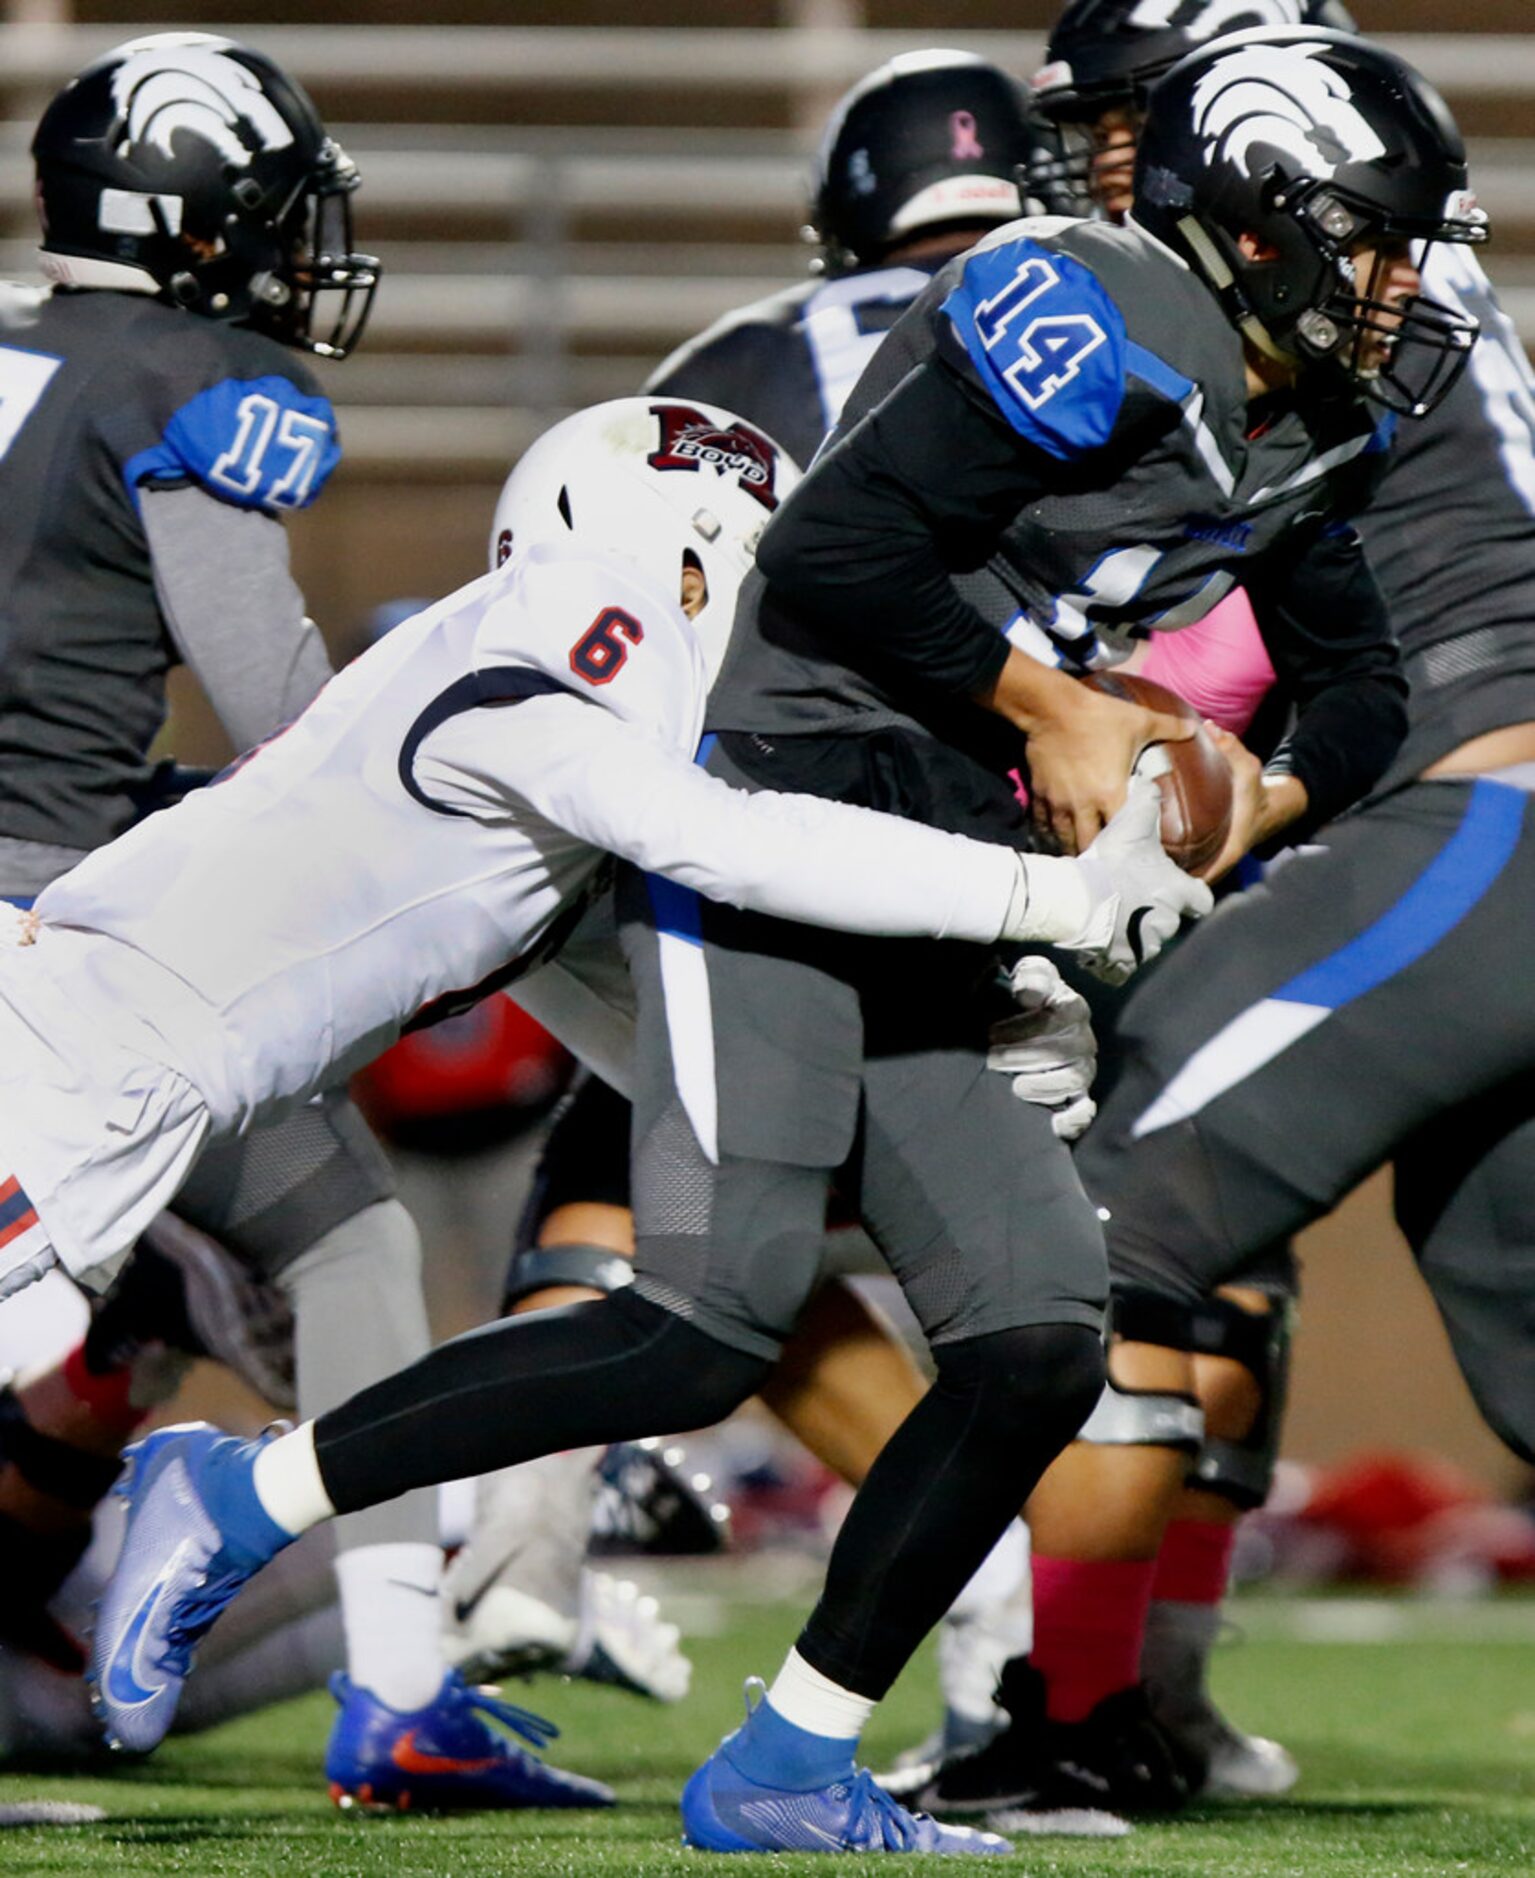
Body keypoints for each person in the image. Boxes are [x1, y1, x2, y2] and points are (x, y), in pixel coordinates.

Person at [91, 24, 1465, 1858]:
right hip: (781, 805)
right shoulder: (1097, 304)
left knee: (1041, 1328)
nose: (1402, 280)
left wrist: (1250, 795)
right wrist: (1058, 710)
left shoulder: (1311, 403)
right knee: (703, 1319)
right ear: (1268, 218)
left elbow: (1364, 687)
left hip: (931, 840)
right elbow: (833, 561)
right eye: (1373, 236)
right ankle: (239, 1491)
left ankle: (792, 1760)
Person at [905, 0, 1535, 1830]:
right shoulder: (1389, 307)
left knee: (1100, 1192)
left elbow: (1157, 626)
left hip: (1484, 821)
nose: (1100, 155)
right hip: (1469, 817)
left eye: (1126, 120)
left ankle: (1083, 1718)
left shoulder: (1298, 302)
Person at [455, 48, 1066, 1753]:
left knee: (673, 1180)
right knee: (990, 1264)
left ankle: (519, 1530)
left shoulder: (726, 356)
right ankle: (1037, 1664)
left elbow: (559, 573)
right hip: (985, 838)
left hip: (702, 820)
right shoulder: (1076, 329)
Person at [0, 29, 577, 1813]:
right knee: (344, 1244)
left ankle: (402, 1690)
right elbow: (283, 706)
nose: (283, 253)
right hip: (58, 948)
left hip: (54, 893)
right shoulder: (189, 377)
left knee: (336, 1227)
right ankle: (397, 1686)